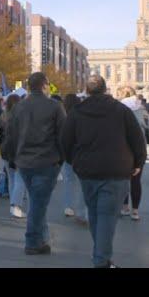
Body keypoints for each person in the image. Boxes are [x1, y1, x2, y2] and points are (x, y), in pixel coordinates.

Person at [61, 75, 146, 268]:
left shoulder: (77, 112)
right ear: (105, 89)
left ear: (88, 91)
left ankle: (101, 256)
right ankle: (101, 260)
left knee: (96, 215)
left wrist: (73, 161)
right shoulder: (121, 110)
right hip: (116, 170)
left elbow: (65, 141)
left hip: (88, 171)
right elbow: (137, 138)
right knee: (106, 216)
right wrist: (138, 162)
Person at [2, 72, 65, 255]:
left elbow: (11, 134)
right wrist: (62, 158)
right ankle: (32, 241)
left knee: (37, 201)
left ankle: (41, 238)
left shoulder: (19, 107)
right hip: (46, 161)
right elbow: (63, 134)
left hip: (24, 161)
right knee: (38, 203)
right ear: (45, 85)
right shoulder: (54, 106)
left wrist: (12, 158)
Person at [117, 86, 149, 221]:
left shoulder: (118, 109)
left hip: (123, 149)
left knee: (123, 180)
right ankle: (135, 211)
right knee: (136, 181)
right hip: (139, 149)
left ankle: (125, 207)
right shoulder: (142, 109)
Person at [0, 94, 27, 219]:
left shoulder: (3, 116)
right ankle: (16, 205)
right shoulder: (21, 117)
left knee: (11, 178)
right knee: (20, 179)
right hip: (18, 151)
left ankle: (12, 204)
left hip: (5, 150)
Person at [61, 94, 88, 225]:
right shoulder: (81, 116)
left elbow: (63, 138)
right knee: (83, 184)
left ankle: (68, 206)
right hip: (81, 154)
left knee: (68, 182)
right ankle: (81, 210)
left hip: (68, 154)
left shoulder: (63, 115)